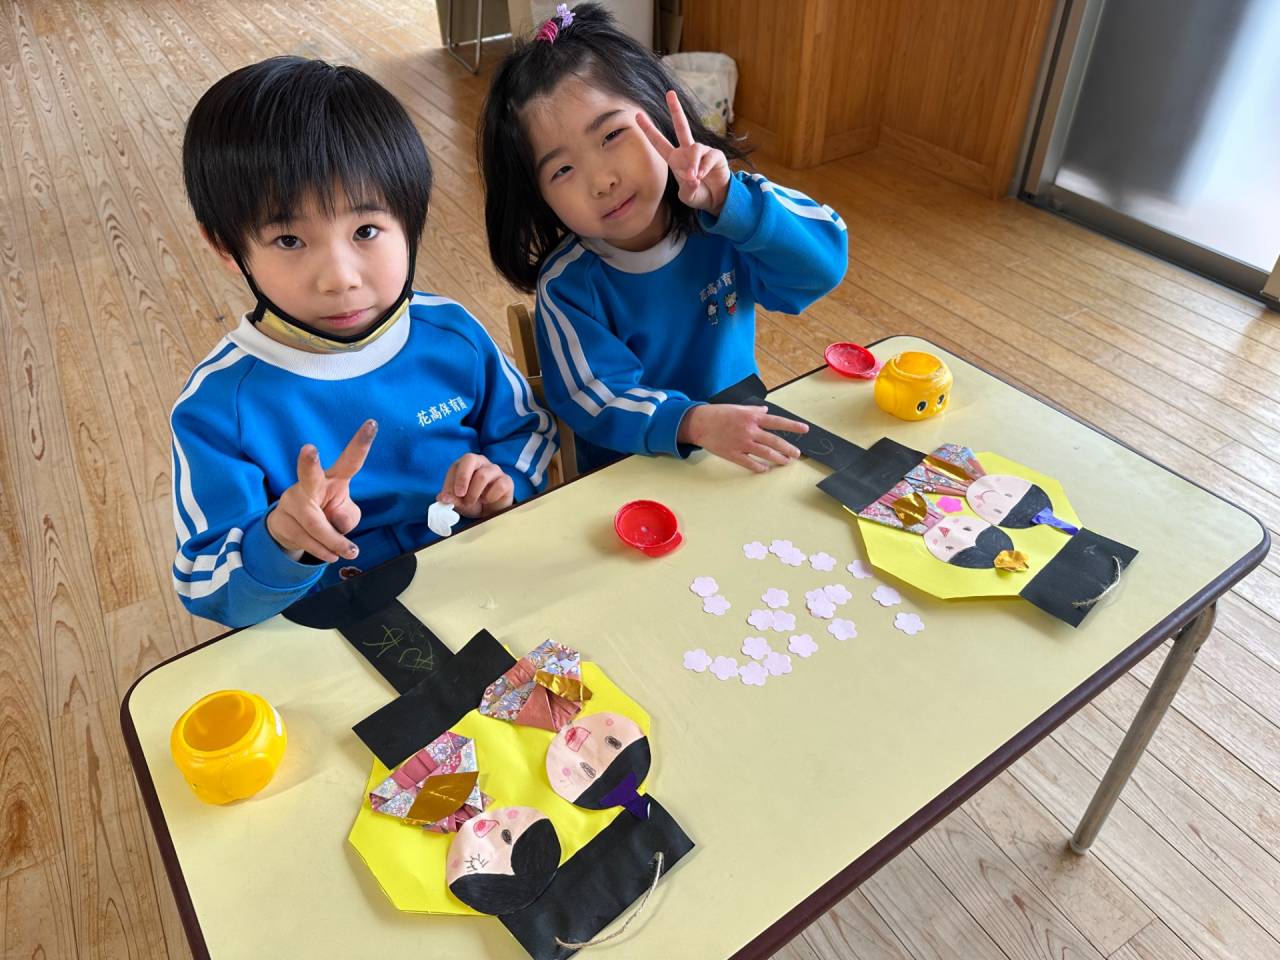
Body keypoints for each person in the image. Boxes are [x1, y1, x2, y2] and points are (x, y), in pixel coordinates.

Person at [172, 57, 556, 627]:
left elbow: (526, 432)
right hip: (331, 623)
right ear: (226, 247)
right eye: (289, 240)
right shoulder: (219, 407)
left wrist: (503, 485)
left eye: (366, 230)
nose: (340, 278)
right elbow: (206, 585)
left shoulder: (450, 334)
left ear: (412, 218)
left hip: (480, 582)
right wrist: (280, 540)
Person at [479, 3, 848, 473]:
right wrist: (691, 422)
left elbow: (822, 266)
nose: (601, 182)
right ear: (539, 196)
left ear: (658, 111)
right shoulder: (569, 285)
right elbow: (595, 398)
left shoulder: (726, 218)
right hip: (631, 471)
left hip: (738, 446)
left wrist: (732, 202)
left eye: (611, 135)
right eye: (563, 169)